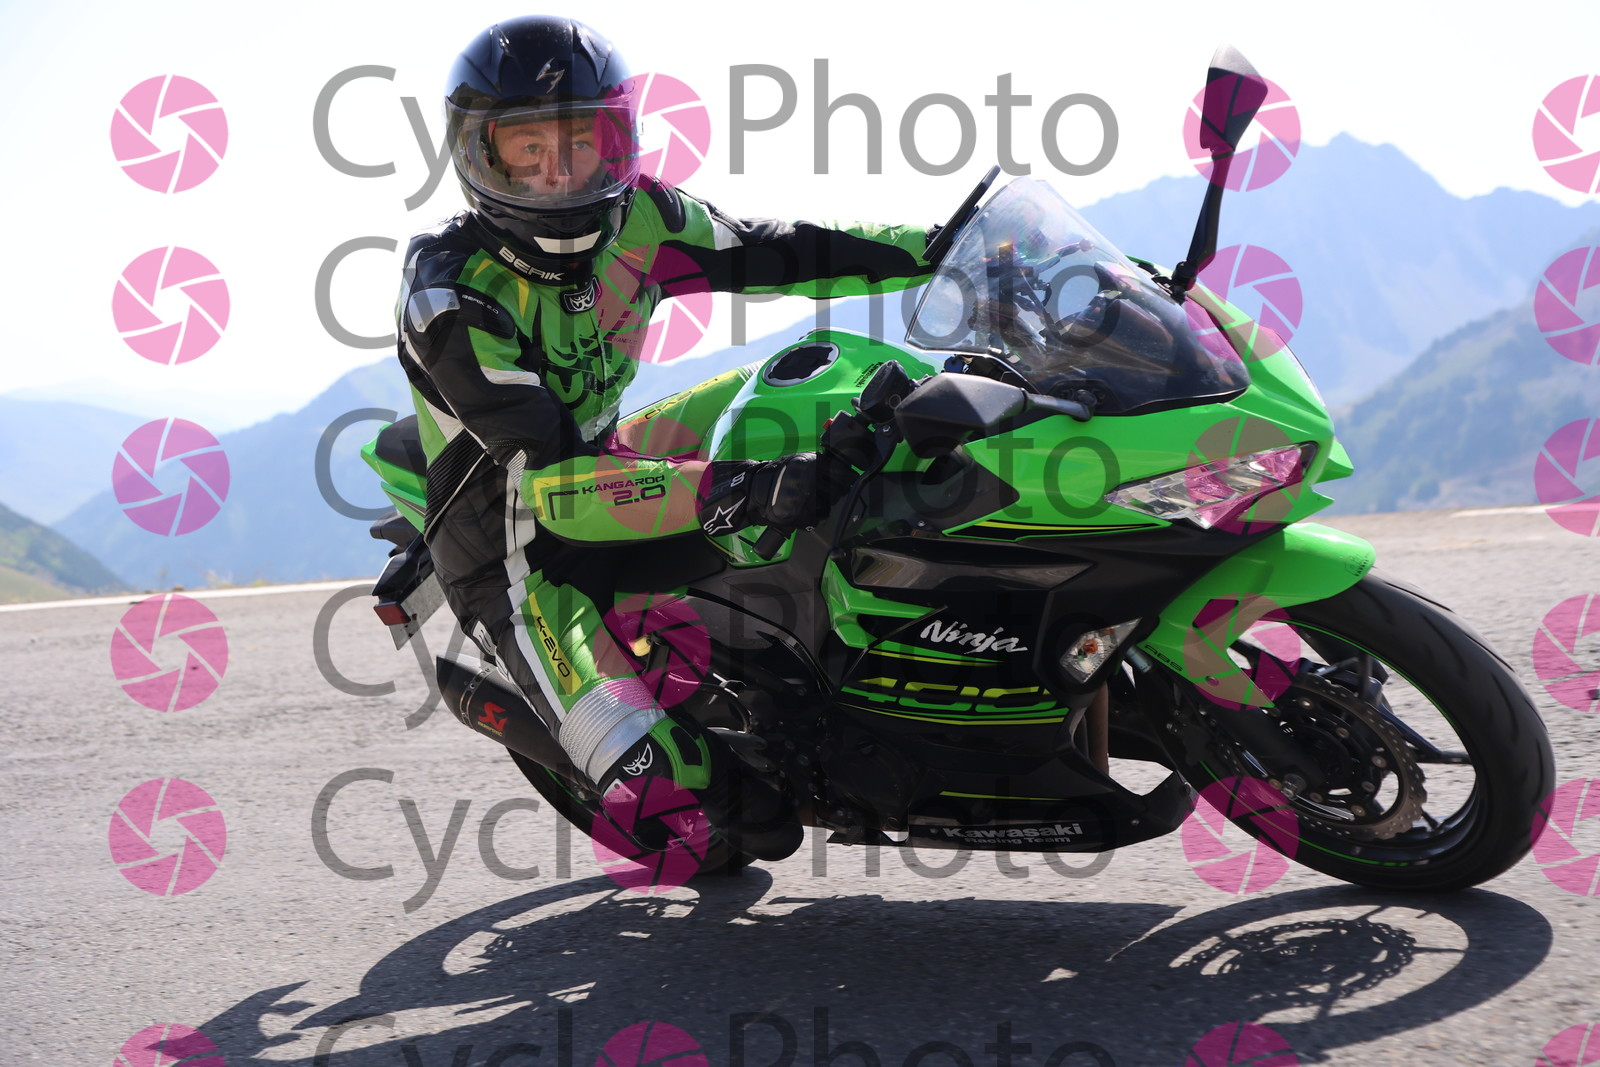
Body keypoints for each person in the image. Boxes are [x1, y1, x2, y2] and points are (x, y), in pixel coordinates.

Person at [396, 14, 938, 862]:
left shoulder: (643, 218)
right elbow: (556, 490)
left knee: (812, 383)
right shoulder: (450, 298)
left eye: (581, 142)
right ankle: (588, 723)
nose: (559, 172)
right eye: (529, 149)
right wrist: (741, 485)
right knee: (745, 818)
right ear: (480, 155)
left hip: (607, 456)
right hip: (518, 547)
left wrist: (937, 248)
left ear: (619, 139)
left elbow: (779, 252)